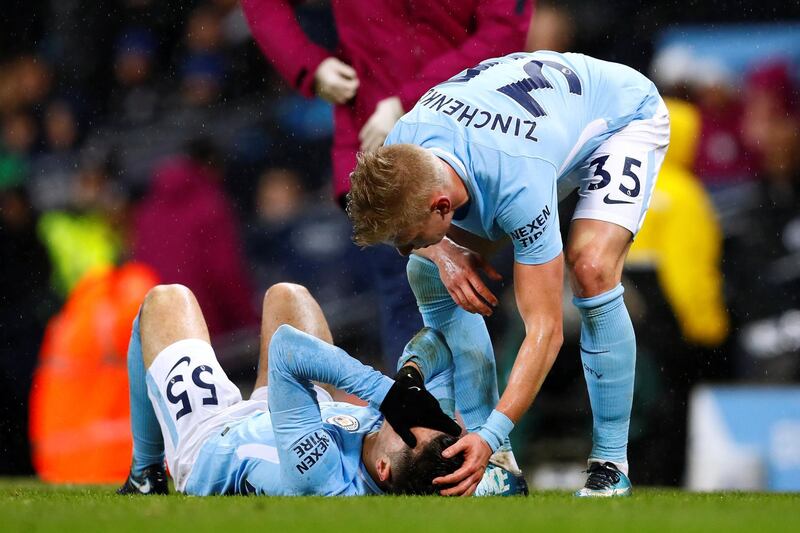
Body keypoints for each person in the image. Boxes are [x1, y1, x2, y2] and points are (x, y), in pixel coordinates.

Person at [347, 50, 670, 497]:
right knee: (426, 270)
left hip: (620, 117)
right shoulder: (405, 144)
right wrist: (440, 252)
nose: (403, 247)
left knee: (591, 268)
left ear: (441, 206)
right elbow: (425, 237)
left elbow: (546, 330)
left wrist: (497, 428)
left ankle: (610, 464)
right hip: (529, 129)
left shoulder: (518, 187)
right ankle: (494, 465)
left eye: (406, 235)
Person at [240, 0, 533, 369]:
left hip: (476, 139)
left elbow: (503, 34)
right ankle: (425, 419)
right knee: (411, 295)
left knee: (485, 299)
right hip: (373, 141)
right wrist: (307, 65)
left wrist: (413, 101)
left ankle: (486, 419)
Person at [117, 282, 491, 496]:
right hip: (294, 412)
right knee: (288, 295)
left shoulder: (318, 475)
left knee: (165, 300)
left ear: (382, 470)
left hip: (216, 436)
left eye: (406, 428)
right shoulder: (397, 452)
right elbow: (439, 345)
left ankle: (145, 475)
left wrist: (390, 392)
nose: (408, 417)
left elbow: (285, 348)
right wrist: (417, 382)